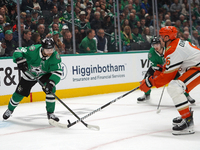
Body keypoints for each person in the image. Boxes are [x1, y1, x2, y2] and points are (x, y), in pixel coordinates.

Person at [139, 26, 200, 135]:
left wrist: (149, 82)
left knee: (174, 87)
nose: (160, 39)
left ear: (167, 37)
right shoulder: (175, 44)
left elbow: (167, 77)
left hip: (198, 68)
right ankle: (186, 115)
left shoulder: (172, 49)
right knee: (175, 86)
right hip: (195, 67)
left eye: (162, 36)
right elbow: (169, 70)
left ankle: (188, 120)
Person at [2, 37, 62, 122]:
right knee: (19, 94)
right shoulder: (33, 50)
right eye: (47, 50)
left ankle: (50, 113)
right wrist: (19, 59)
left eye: (51, 49)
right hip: (29, 75)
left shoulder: (55, 56)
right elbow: (18, 50)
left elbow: (58, 71)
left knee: (51, 90)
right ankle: (10, 109)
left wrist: (51, 82)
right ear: (42, 48)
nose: (50, 52)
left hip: (44, 74)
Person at [137, 36, 195, 105]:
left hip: (170, 67)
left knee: (180, 81)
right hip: (158, 68)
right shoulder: (151, 53)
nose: (156, 47)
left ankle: (187, 95)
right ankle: (146, 94)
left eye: (157, 44)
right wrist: (159, 70)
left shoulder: (168, 49)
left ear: (161, 44)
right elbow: (154, 65)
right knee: (146, 79)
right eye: (154, 45)